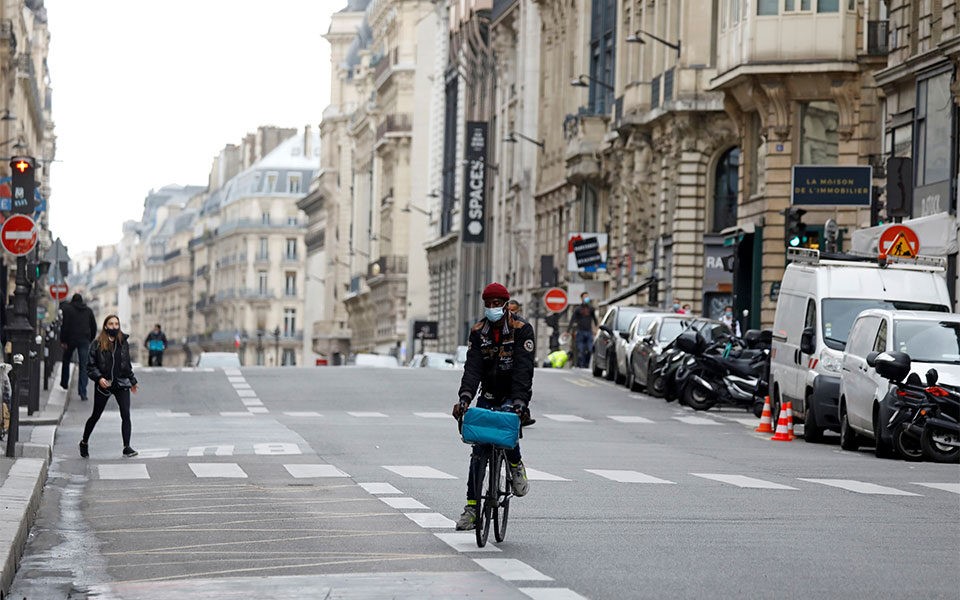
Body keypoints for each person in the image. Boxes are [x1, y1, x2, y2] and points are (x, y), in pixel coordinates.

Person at [452, 282, 534, 530]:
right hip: (488, 392)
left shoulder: (522, 329)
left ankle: (515, 465)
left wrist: (521, 402)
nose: (492, 308)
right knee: (479, 452)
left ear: (506, 304)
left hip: (512, 393)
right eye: (488, 304)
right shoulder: (478, 332)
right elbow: (472, 368)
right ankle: (472, 508)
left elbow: (524, 370)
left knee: (507, 432)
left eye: (497, 304)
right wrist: (464, 398)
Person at [81, 315, 139, 458]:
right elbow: (90, 366)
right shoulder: (97, 344)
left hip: (121, 382)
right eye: (111, 324)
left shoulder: (123, 342)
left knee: (126, 414)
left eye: (116, 323)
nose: (114, 326)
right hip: (105, 384)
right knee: (96, 415)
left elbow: (126, 364)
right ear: (106, 326)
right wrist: (99, 378)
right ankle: (84, 442)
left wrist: (132, 380)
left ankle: (127, 446)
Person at [58, 293, 97, 401]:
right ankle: (82, 391)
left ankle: (64, 383)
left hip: (70, 339)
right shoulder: (88, 311)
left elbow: (64, 326)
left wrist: (63, 340)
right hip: (84, 340)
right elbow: (93, 326)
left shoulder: (68, 309)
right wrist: (90, 339)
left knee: (66, 360)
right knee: (84, 366)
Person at [568, 292, 598, 368]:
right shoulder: (578, 309)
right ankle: (581, 365)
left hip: (589, 331)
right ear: (581, 298)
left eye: (587, 297)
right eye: (585, 297)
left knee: (590, 349)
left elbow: (595, 320)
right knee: (580, 350)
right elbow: (572, 320)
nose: (586, 299)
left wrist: (596, 329)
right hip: (580, 331)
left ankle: (587, 364)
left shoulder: (591, 308)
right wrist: (568, 331)